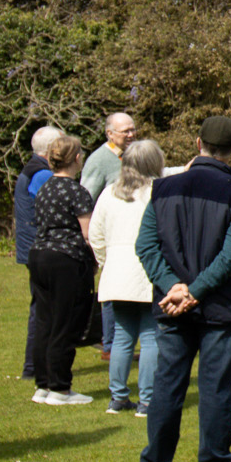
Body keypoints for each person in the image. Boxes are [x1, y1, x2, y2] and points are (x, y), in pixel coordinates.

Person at [134, 115, 231, 462]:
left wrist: (175, 287)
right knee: (215, 388)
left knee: (168, 385)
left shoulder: (164, 189)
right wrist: (191, 290)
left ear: (197, 143)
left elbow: (145, 246)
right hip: (221, 307)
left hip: (175, 305)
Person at [90, 138, 166, 416]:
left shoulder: (109, 193)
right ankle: (146, 400)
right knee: (150, 336)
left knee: (122, 336)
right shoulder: (157, 193)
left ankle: (118, 397)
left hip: (117, 273)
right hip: (147, 272)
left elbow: (95, 235)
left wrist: (107, 262)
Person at [28, 135, 98, 406]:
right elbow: (88, 233)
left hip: (40, 256)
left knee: (45, 320)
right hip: (65, 260)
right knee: (65, 322)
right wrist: (96, 261)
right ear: (77, 159)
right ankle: (60, 387)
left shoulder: (45, 187)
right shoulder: (77, 191)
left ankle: (43, 384)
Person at [82, 113, 138, 361]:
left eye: (133, 129)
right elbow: (85, 198)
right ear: (110, 134)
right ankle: (109, 343)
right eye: (125, 131)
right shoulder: (99, 160)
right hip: (109, 237)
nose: (130, 134)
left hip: (131, 233)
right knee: (111, 290)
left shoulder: (130, 156)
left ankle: (122, 342)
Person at [12, 124, 61, 380]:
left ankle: (37, 365)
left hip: (31, 246)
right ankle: (35, 366)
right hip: (40, 248)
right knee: (44, 309)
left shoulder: (32, 170)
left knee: (41, 307)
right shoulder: (42, 175)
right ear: (53, 149)